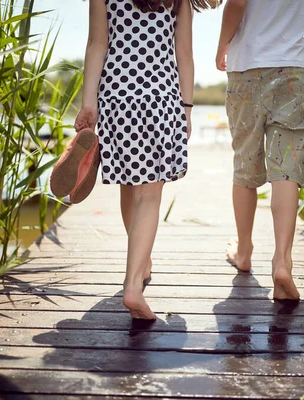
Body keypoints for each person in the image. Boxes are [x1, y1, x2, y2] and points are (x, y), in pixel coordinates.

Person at [66, 0, 213, 320]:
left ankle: (141, 262)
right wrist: (186, 109)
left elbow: (96, 44)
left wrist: (89, 101)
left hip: (116, 95)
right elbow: (184, 56)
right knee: (149, 194)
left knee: (129, 185)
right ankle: (133, 285)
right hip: (160, 97)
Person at [216, 0, 304, 300]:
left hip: (247, 68)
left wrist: (222, 43)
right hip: (293, 72)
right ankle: (283, 261)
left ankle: (244, 251)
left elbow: (237, 2)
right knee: (287, 167)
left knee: (245, 162)